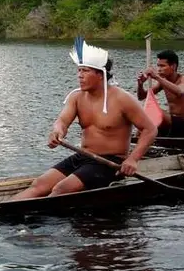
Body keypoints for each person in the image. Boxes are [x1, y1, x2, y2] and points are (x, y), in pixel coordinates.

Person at [13, 38, 157, 199]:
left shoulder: (122, 99)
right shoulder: (76, 97)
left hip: (110, 163)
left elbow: (150, 129)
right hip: (84, 156)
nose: (79, 76)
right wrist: (57, 132)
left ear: (100, 75)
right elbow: (62, 121)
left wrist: (132, 159)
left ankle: (34, 217)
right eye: (79, 70)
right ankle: (3, 213)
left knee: (61, 189)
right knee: (40, 184)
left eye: (85, 71)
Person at [136, 49, 184, 137]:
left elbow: (180, 92)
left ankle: (140, 138)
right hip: (170, 125)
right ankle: (138, 138)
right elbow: (141, 97)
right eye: (158, 66)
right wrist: (140, 84)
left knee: (156, 111)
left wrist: (156, 77)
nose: (159, 69)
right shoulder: (163, 82)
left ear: (173, 66)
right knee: (143, 112)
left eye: (162, 66)